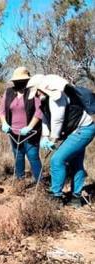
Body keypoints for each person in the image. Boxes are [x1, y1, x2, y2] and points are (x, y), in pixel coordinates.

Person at [27, 74, 95, 207]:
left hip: (83, 129)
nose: (35, 95)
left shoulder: (56, 97)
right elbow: (46, 119)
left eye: (36, 92)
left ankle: (56, 196)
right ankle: (76, 196)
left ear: (41, 88)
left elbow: (57, 119)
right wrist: (45, 136)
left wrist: (53, 138)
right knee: (76, 162)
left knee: (57, 160)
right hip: (77, 130)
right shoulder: (45, 100)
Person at [0, 67, 43, 182]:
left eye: (22, 80)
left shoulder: (33, 92)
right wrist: (4, 123)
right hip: (13, 132)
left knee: (33, 156)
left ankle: (39, 182)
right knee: (18, 156)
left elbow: (39, 111)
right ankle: (20, 181)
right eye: (17, 81)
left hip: (31, 133)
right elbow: (2, 110)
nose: (19, 83)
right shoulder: (8, 92)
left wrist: (30, 127)